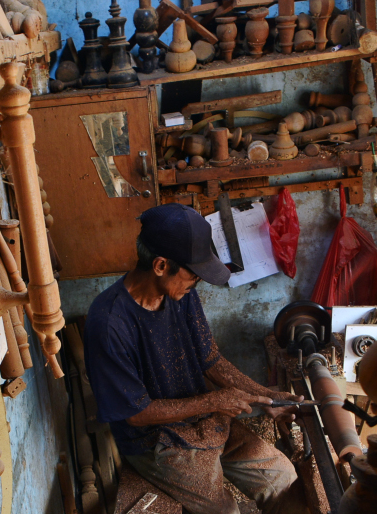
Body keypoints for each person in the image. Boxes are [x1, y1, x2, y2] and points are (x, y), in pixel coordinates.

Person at [84, 203, 308, 514]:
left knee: (284, 480)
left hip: (207, 421)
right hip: (156, 441)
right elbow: (137, 414)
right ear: (161, 265)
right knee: (226, 512)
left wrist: (267, 397)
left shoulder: (181, 294)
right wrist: (215, 402)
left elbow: (210, 358)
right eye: (194, 275)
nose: (197, 284)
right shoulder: (109, 324)